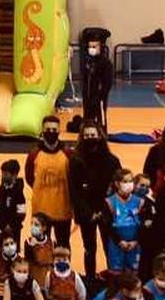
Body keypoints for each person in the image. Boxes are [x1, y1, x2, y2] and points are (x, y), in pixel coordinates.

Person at [68, 120, 121, 278]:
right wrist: (88, 213)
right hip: (86, 213)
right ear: (81, 137)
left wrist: (104, 211)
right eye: (87, 135)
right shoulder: (76, 161)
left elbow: (117, 186)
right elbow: (75, 191)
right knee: (89, 248)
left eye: (93, 135)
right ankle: (90, 278)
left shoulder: (112, 160)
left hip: (106, 212)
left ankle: (112, 278)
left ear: (100, 136)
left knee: (109, 247)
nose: (90, 138)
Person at [25, 115, 74, 247]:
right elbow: (29, 178)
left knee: (63, 245)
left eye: (54, 130)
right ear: (42, 130)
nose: (51, 132)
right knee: (39, 246)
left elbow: (72, 179)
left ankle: (63, 268)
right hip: (41, 209)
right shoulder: (34, 154)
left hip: (62, 209)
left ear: (59, 131)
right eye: (48, 129)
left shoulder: (68, 153)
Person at [80, 30, 114, 132]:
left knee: (100, 116)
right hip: (88, 95)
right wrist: (85, 93)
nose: (92, 49)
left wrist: (101, 95)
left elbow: (108, 83)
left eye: (94, 47)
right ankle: (86, 133)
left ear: (101, 47)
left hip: (99, 96)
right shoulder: (88, 62)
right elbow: (85, 78)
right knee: (87, 115)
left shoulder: (106, 63)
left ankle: (102, 133)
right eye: (90, 47)